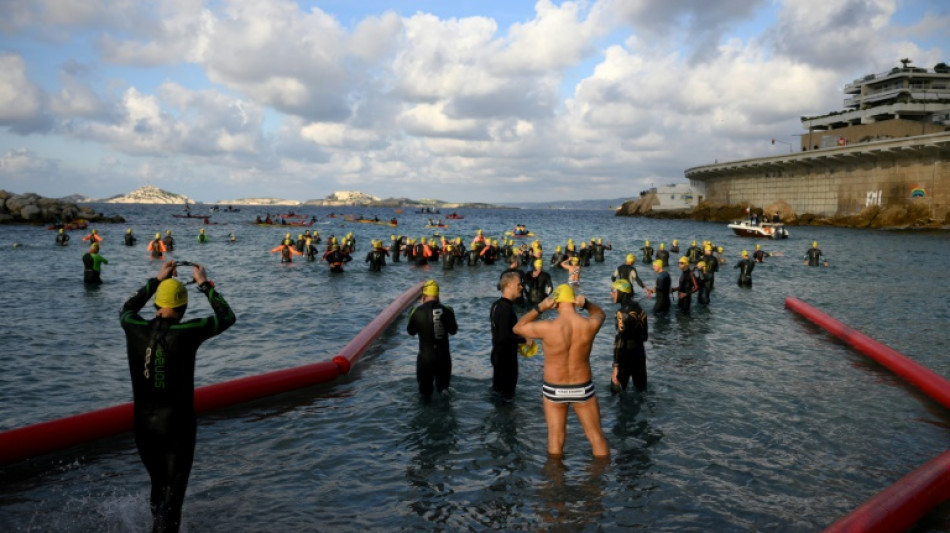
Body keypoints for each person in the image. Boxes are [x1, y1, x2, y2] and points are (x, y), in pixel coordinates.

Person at [120, 260, 235, 533]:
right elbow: (227, 316)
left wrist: (157, 279)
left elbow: (127, 308)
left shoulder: (133, 326)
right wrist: (204, 285)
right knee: (172, 502)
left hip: (143, 428)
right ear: (183, 308)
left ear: (155, 305)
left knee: (159, 489)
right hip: (176, 430)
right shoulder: (187, 331)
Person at [513, 284, 608, 457]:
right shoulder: (588, 325)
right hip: (583, 387)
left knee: (555, 438)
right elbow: (601, 314)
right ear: (573, 302)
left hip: (554, 388)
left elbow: (518, 328)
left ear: (555, 304)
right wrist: (586, 304)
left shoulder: (547, 327)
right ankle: (599, 481)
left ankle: (556, 481)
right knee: (596, 436)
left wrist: (540, 307)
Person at [406, 280, 458, 399]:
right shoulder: (448, 310)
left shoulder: (416, 312)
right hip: (443, 359)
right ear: (438, 296)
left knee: (424, 396)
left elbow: (411, 332)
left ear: (423, 296)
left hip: (425, 359)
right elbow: (453, 331)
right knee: (444, 394)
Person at [490, 272, 532, 401]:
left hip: (497, 354)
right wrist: (524, 339)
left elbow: (500, 334)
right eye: (519, 284)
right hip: (506, 359)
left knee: (498, 394)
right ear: (508, 285)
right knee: (507, 398)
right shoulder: (505, 308)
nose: (521, 287)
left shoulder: (496, 305)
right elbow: (504, 337)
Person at [609, 280, 648, 392]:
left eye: (613, 291)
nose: (611, 294)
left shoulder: (621, 313)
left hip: (625, 356)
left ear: (621, 293)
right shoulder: (640, 308)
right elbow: (645, 336)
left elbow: (620, 341)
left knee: (616, 392)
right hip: (640, 354)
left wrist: (616, 366)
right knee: (641, 390)